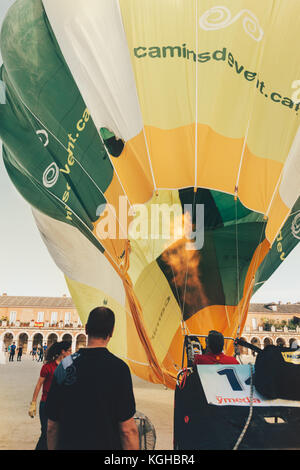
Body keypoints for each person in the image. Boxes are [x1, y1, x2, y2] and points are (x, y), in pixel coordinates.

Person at [46, 307, 139, 450]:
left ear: (86, 329)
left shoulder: (64, 366)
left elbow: (52, 426)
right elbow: (127, 430)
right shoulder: (120, 369)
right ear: (112, 332)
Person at [28, 341, 72, 450]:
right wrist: (33, 402)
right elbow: (39, 385)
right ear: (63, 352)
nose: (71, 352)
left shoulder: (69, 367)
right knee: (46, 432)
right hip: (46, 403)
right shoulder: (48, 367)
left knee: (59, 432)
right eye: (69, 350)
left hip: (62, 404)